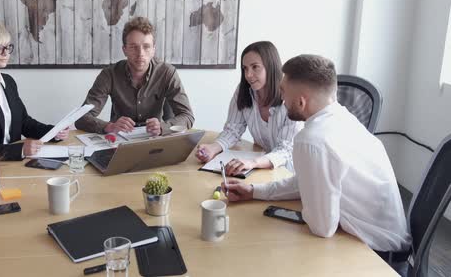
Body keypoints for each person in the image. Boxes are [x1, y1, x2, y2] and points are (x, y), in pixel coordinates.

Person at [222, 54, 411, 256]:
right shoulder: (343, 118)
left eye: (284, 92)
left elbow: (322, 228)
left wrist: (310, 207)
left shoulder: (312, 140)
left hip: (373, 253)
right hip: (391, 241)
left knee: (263, 249)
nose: (282, 99)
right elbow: (307, 181)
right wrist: (253, 191)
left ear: (301, 101)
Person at [75, 17, 194, 136]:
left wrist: (163, 127)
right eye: (133, 47)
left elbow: (187, 116)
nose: (140, 53)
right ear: (124, 50)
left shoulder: (167, 72)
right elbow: (81, 118)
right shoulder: (109, 74)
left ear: (153, 50)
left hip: (155, 139)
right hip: (119, 140)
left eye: (146, 46)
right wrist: (109, 126)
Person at [195, 41, 303, 174]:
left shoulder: (289, 96)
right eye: (245, 68)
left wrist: (253, 163)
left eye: (255, 67)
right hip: (261, 168)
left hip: (289, 172)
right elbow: (233, 129)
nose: (248, 75)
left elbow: (286, 151)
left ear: (271, 66)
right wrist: (214, 148)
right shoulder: (244, 90)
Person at [0, 22, 68, 161]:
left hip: (14, 163)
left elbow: (23, 122)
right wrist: (20, 150)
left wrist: (53, 132)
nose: (6, 52)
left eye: (8, 47)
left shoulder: (8, 82)